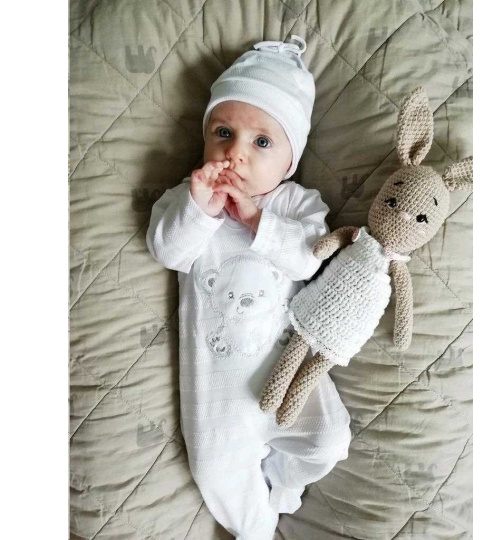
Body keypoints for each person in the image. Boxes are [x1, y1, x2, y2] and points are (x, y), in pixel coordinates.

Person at [146, 35, 351, 540]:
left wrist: (259, 220)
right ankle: (256, 530)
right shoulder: (190, 199)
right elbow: (167, 250)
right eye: (223, 132)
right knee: (216, 473)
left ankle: (282, 481)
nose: (235, 153)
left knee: (329, 441)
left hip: (288, 373)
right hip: (217, 391)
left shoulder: (297, 205)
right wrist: (200, 210)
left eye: (261, 142)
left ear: (289, 162)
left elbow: (309, 260)